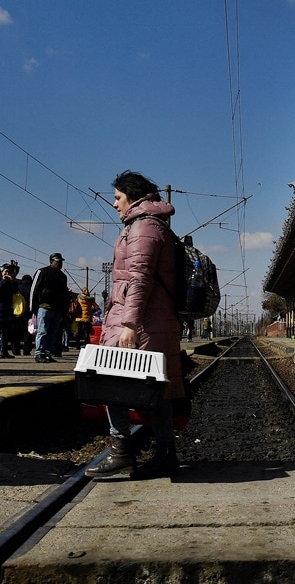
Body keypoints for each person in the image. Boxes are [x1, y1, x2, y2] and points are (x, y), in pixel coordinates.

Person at [86, 170, 185, 480]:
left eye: (117, 197)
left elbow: (139, 278)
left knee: (112, 381)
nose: (114, 204)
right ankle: (164, 453)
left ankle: (121, 452)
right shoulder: (146, 225)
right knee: (153, 388)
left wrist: (129, 323)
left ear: (132, 196)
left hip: (139, 322)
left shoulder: (143, 228)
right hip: (148, 320)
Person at [29, 252, 69, 363]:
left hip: (57, 309)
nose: (59, 264)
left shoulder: (62, 276)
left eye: (60, 262)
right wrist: (33, 308)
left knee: (53, 332)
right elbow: (34, 289)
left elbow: (65, 294)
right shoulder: (42, 272)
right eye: (57, 261)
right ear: (51, 261)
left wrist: (64, 310)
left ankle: (47, 353)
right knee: (43, 331)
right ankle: (39, 353)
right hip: (44, 307)